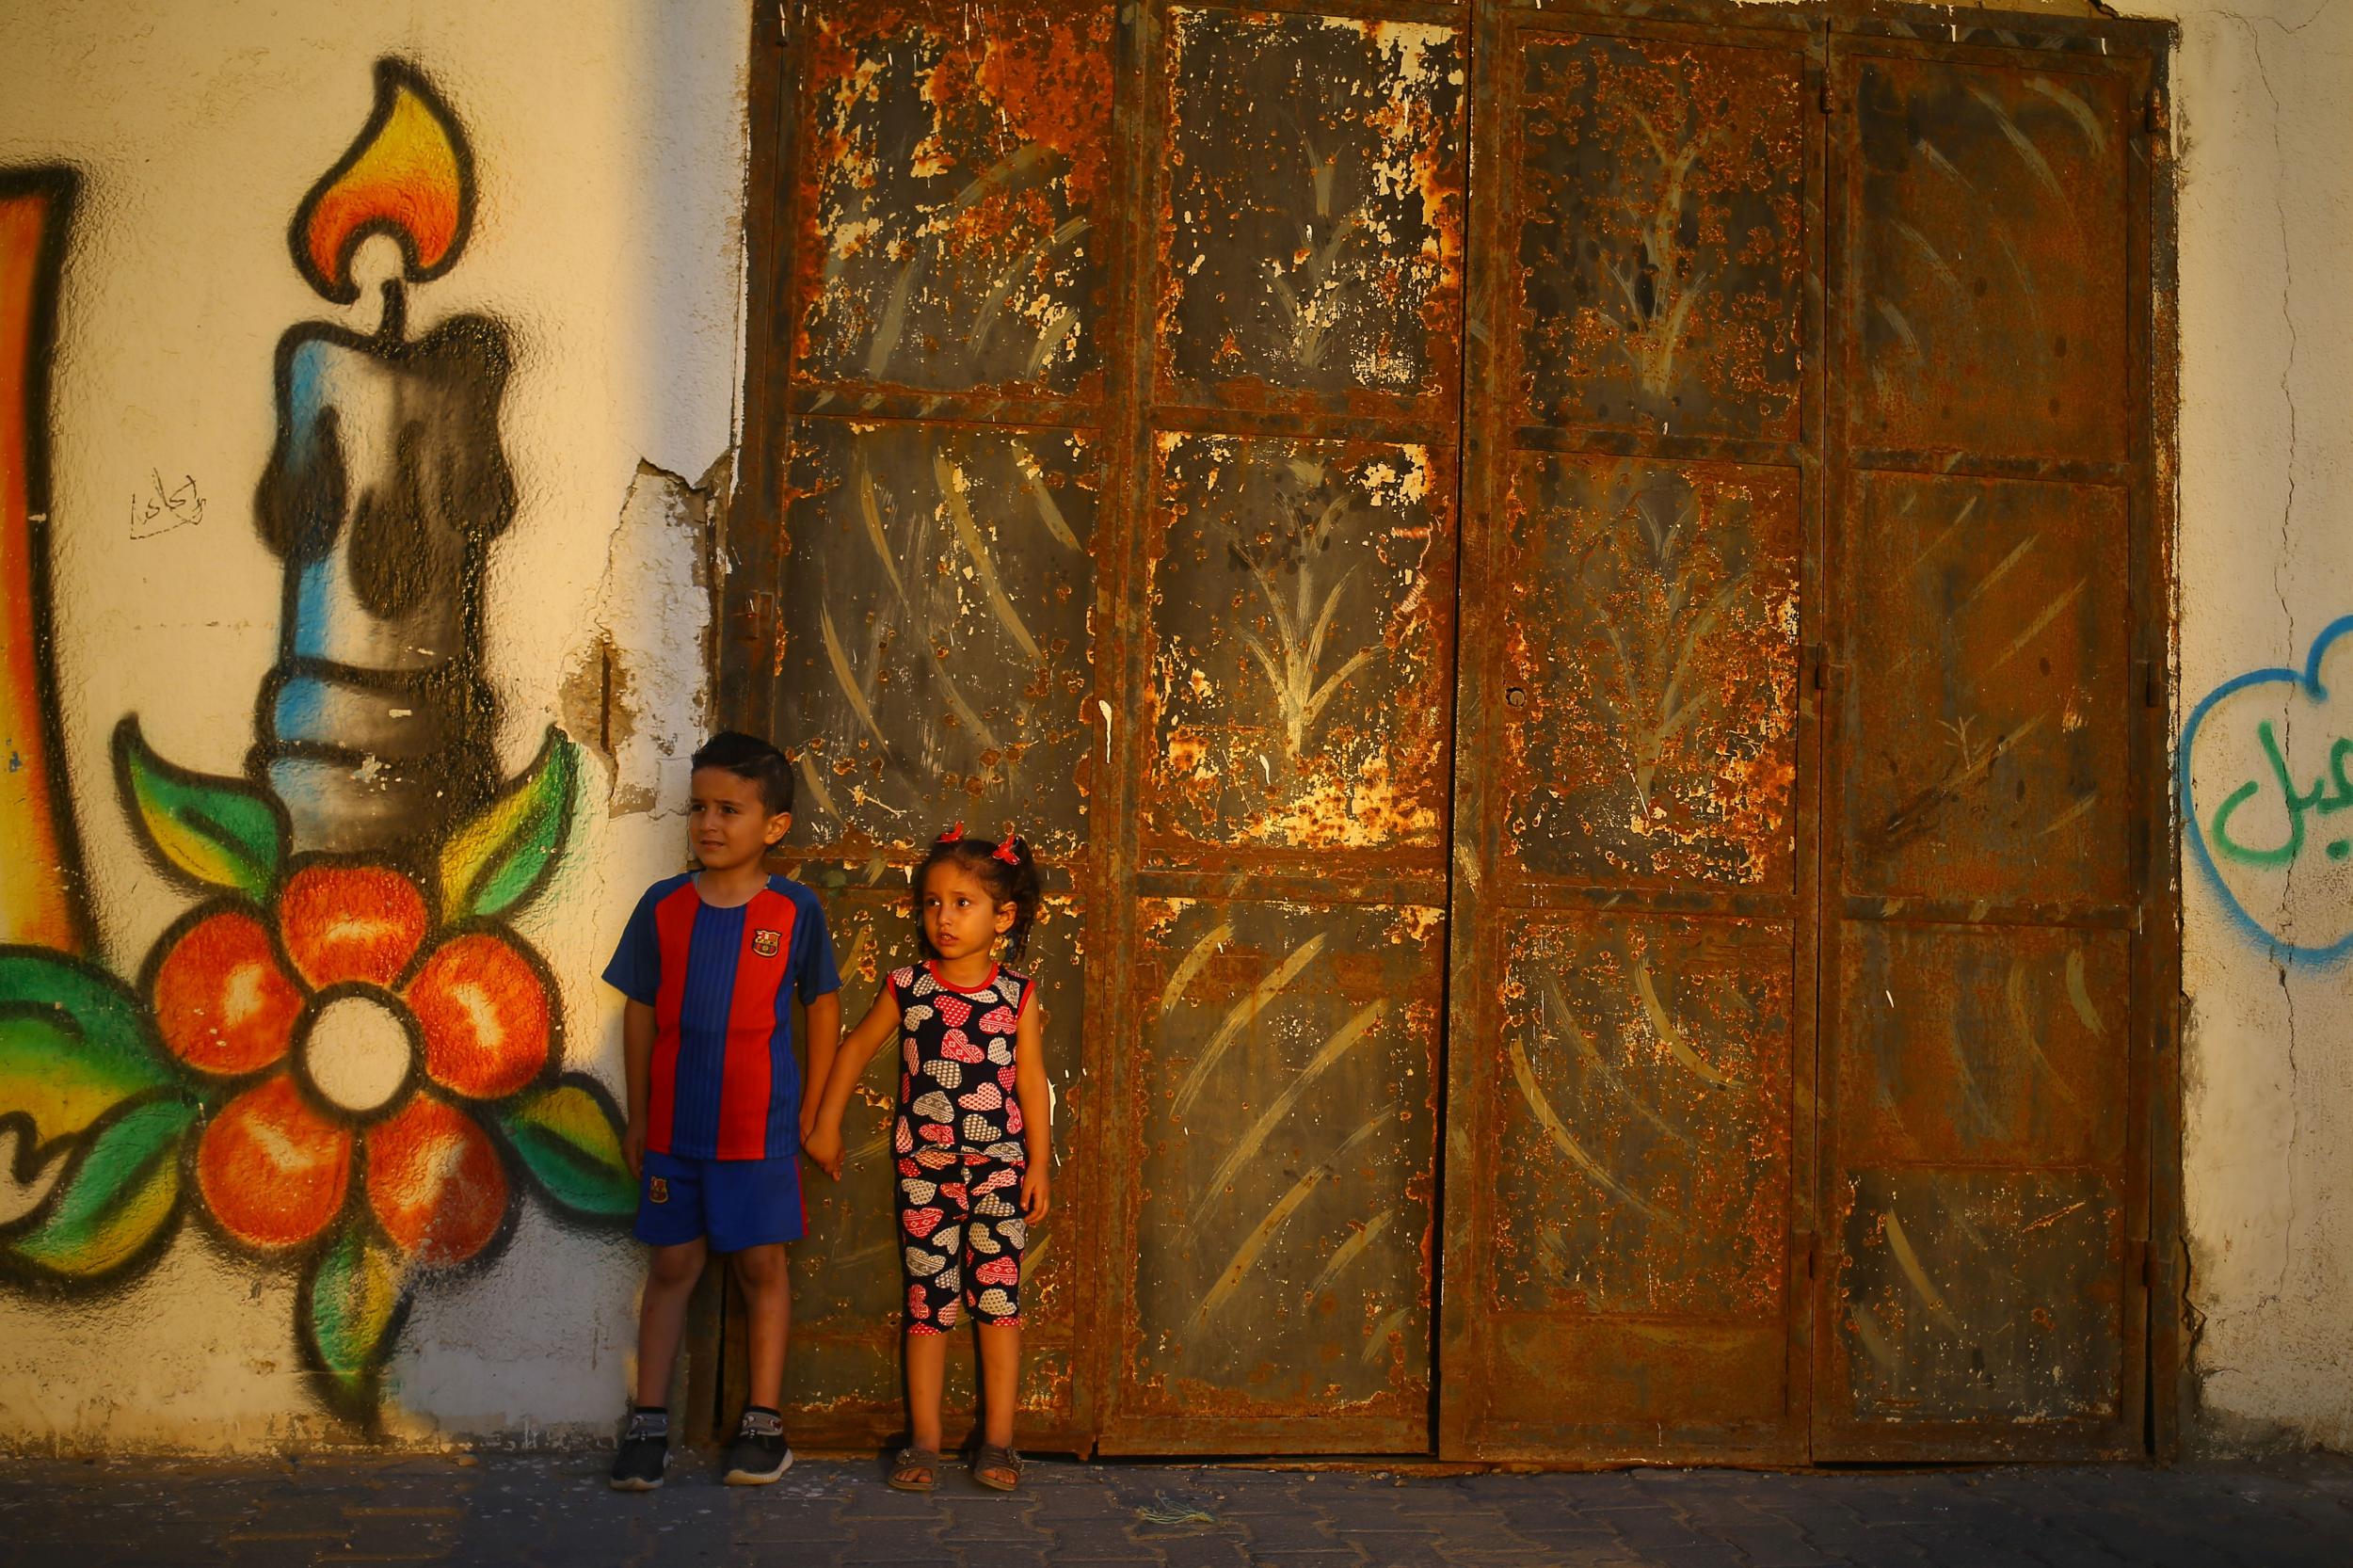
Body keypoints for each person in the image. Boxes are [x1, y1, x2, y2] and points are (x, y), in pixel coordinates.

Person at [600, 731, 841, 1490]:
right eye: (698, 807)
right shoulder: (663, 906)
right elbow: (640, 1012)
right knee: (673, 1264)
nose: (708, 823)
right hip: (675, 1130)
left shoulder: (796, 911)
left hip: (759, 1132)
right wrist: (639, 1116)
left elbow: (823, 1008)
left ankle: (763, 1424)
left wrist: (817, 1113)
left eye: (729, 810)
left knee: (760, 1266)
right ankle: (648, 1424)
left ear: (773, 826)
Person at [804, 824, 1050, 1493]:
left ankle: (999, 1444)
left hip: (999, 1175)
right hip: (926, 1177)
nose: (944, 916)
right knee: (928, 1304)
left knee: (998, 1303)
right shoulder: (909, 986)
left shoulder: (1015, 996)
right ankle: (925, 1444)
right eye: (933, 902)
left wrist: (1039, 1165)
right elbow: (853, 1050)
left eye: (963, 903)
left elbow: (1031, 1084)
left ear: (1004, 917)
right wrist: (826, 1125)